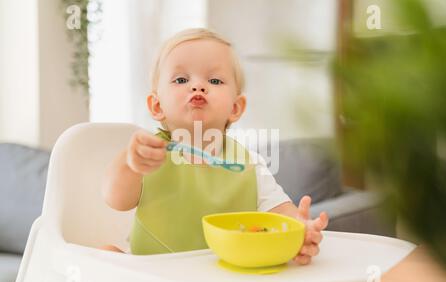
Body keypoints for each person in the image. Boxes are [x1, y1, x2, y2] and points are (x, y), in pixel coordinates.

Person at [101, 28, 328, 265]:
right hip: (152, 276)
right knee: (107, 254)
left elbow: (280, 211)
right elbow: (115, 198)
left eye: (215, 80)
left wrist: (299, 230)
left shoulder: (249, 166)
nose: (197, 86)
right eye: (181, 79)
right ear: (157, 105)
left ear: (235, 107)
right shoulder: (147, 155)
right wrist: (131, 164)